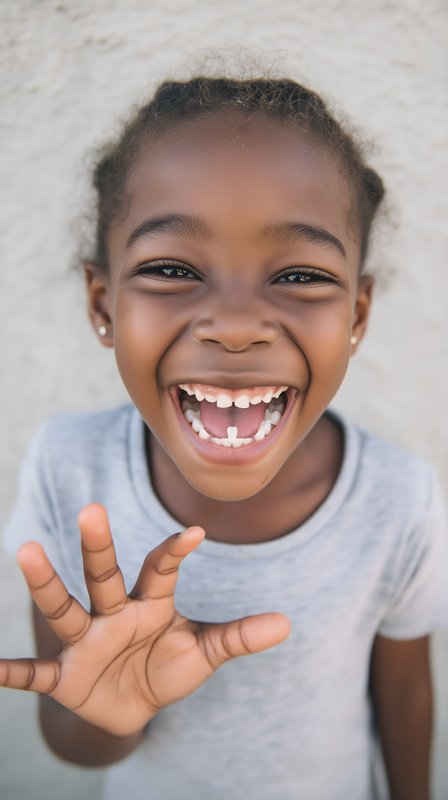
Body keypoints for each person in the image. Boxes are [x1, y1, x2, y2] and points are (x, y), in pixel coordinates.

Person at [1, 75, 447, 800]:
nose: (237, 325)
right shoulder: (70, 469)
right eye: (172, 269)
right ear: (101, 302)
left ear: (358, 314)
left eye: (300, 274)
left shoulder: (399, 499)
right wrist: (114, 708)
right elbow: (73, 741)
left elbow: (404, 702)